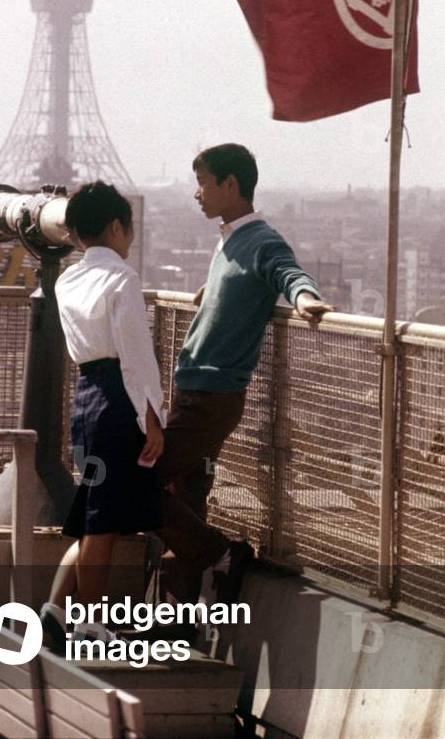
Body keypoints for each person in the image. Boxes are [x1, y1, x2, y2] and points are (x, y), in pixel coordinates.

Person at [155, 143, 333, 602]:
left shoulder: (261, 240)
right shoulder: (231, 239)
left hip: (211, 399)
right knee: (186, 501)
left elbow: (288, 273)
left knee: (137, 484)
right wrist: (210, 292)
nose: (197, 194)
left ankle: (224, 554)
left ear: (230, 185)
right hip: (195, 390)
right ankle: (176, 620)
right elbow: (239, 286)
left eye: (203, 183)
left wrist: (305, 298)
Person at [40, 181, 166, 651]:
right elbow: (136, 356)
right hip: (118, 400)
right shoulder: (122, 280)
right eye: (128, 227)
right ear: (117, 226)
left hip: (86, 397)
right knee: (103, 524)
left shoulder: (66, 279)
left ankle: (55, 612)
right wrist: (153, 417)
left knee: (93, 512)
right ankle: (90, 625)